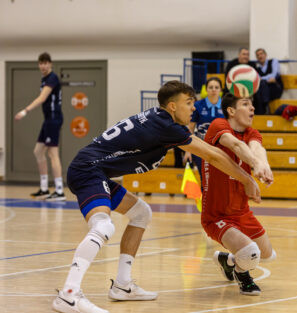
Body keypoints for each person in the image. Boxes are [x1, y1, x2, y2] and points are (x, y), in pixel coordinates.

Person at [52, 81, 261, 313]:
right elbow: (213, 155)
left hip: (95, 170)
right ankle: (69, 295)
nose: (194, 108)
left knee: (140, 213)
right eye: (189, 103)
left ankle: (122, 285)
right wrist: (247, 179)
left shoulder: (161, 119)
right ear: (172, 106)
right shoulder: (167, 126)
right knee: (103, 227)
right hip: (88, 170)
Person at [201, 93, 275, 295]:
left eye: (252, 104)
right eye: (245, 104)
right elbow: (236, 145)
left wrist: (264, 165)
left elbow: (257, 148)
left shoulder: (252, 132)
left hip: (241, 211)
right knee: (250, 253)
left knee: (268, 254)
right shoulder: (218, 125)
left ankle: (229, 261)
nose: (252, 108)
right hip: (216, 216)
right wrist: (255, 167)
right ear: (231, 111)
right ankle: (242, 275)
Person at [14, 52, 65, 201]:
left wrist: (25, 111)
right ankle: (44, 189)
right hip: (48, 120)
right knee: (38, 151)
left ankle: (60, 191)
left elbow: (43, 98)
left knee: (52, 154)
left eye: (45, 63)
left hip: (54, 119)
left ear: (50, 64)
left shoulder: (52, 78)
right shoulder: (44, 79)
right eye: (40, 63)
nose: (43, 65)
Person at [183, 77, 225, 181]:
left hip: (221, 149)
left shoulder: (226, 106)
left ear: (220, 90)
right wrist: (188, 151)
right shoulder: (198, 105)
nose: (214, 90)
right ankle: (205, 198)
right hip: (201, 148)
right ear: (206, 90)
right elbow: (190, 128)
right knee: (205, 179)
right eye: (210, 87)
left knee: (219, 179)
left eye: (216, 87)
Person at [253, 48, 284, 115]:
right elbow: (258, 80)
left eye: (261, 54)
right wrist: (266, 79)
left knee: (262, 84)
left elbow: (274, 75)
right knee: (260, 87)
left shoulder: (273, 61)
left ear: (265, 55)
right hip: (264, 91)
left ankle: (263, 109)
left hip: (275, 88)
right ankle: (265, 107)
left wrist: (262, 78)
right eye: (258, 55)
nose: (260, 56)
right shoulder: (257, 69)